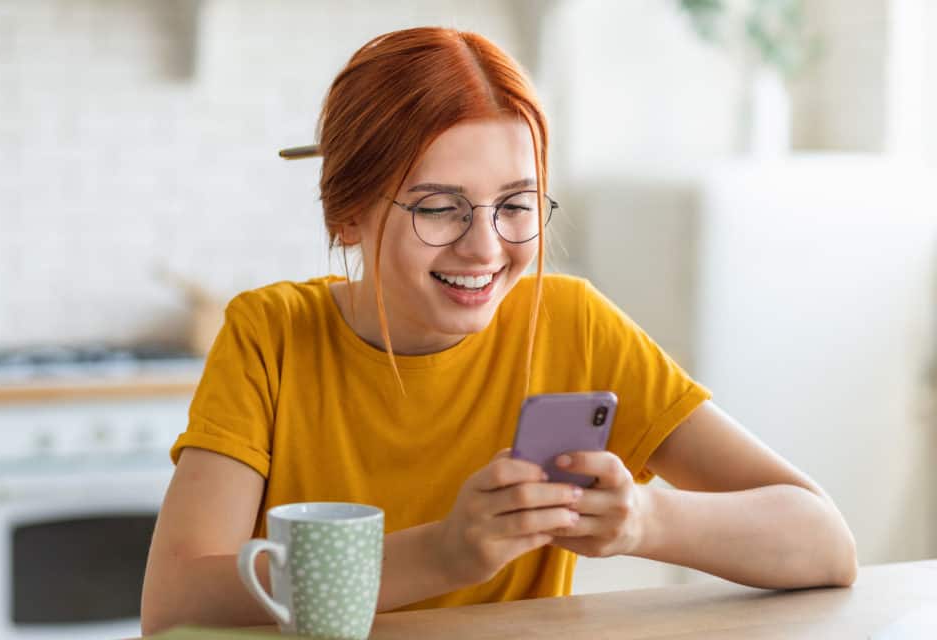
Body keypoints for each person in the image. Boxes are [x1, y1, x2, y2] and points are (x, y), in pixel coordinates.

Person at [140, 26, 857, 635]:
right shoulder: (271, 336)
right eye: (438, 208)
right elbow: (173, 607)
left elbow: (823, 544)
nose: (486, 248)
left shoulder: (574, 325)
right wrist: (446, 554)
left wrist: (645, 520)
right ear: (347, 215)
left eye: (515, 204)